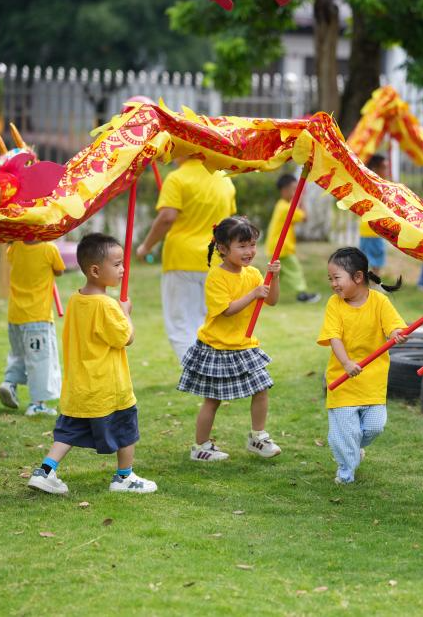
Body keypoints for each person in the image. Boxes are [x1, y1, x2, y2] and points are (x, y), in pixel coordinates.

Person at [27, 233, 157, 495]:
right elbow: (126, 338)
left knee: (68, 432)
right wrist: (125, 313)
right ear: (95, 270)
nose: (123, 269)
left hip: (80, 386)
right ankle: (124, 477)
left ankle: (45, 471)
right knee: (126, 428)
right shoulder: (106, 305)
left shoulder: (76, 299)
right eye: (117, 264)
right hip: (108, 387)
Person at [178, 216, 282, 462]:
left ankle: (258, 437)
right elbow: (227, 309)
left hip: (244, 345)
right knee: (213, 399)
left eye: (252, 245)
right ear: (223, 249)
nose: (249, 251)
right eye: (242, 246)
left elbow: (272, 300)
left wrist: (274, 277)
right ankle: (200, 447)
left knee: (262, 388)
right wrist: (253, 293)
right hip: (217, 346)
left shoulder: (253, 273)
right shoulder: (217, 276)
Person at [318, 247, 406, 483]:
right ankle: (346, 472)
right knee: (347, 432)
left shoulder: (379, 302)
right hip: (343, 380)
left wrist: (396, 333)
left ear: (357, 277)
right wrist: (346, 362)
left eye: (336, 278)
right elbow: (333, 337)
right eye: (330, 278)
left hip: (373, 381)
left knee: (375, 426)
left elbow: (394, 326)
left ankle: (349, 446)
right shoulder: (334, 304)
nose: (333, 284)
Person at [136, 154, 236, 363]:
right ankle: (213, 369)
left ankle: (196, 372)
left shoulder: (177, 178)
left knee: (181, 324)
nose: (170, 153)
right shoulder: (223, 178)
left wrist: (145, 247)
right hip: (216, 260)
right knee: (209, 322)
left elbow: (167, 217)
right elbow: (229, 221)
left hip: (182, 259)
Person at [0, 240, 65, 416]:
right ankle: (37, 404)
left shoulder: (15, 247)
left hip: (15, 316)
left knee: (18, 354)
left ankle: (9, 383)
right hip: (37, 317)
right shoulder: (49, 249)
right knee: (40, 361)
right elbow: (59, 270)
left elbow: (14, 259)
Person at [266, 173, 320, 303]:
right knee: (295, 271)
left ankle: (264, 294)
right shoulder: (286, 208)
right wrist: (302, 199)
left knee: (275, 274)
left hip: (276, 246)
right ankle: (302, 295)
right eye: (294, 189)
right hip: (283, 247)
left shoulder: (281, 204)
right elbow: (305, 217)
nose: (297, 191)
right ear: (284, 190)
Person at [358, 154, 389, 271]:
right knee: (372, 263)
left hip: (374, 230)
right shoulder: (373, 185)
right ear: (375, 169)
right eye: (384, 167)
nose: (387, 170)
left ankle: (370, 280)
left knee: (371, 263)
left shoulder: (377, 185)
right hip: (371, 230)